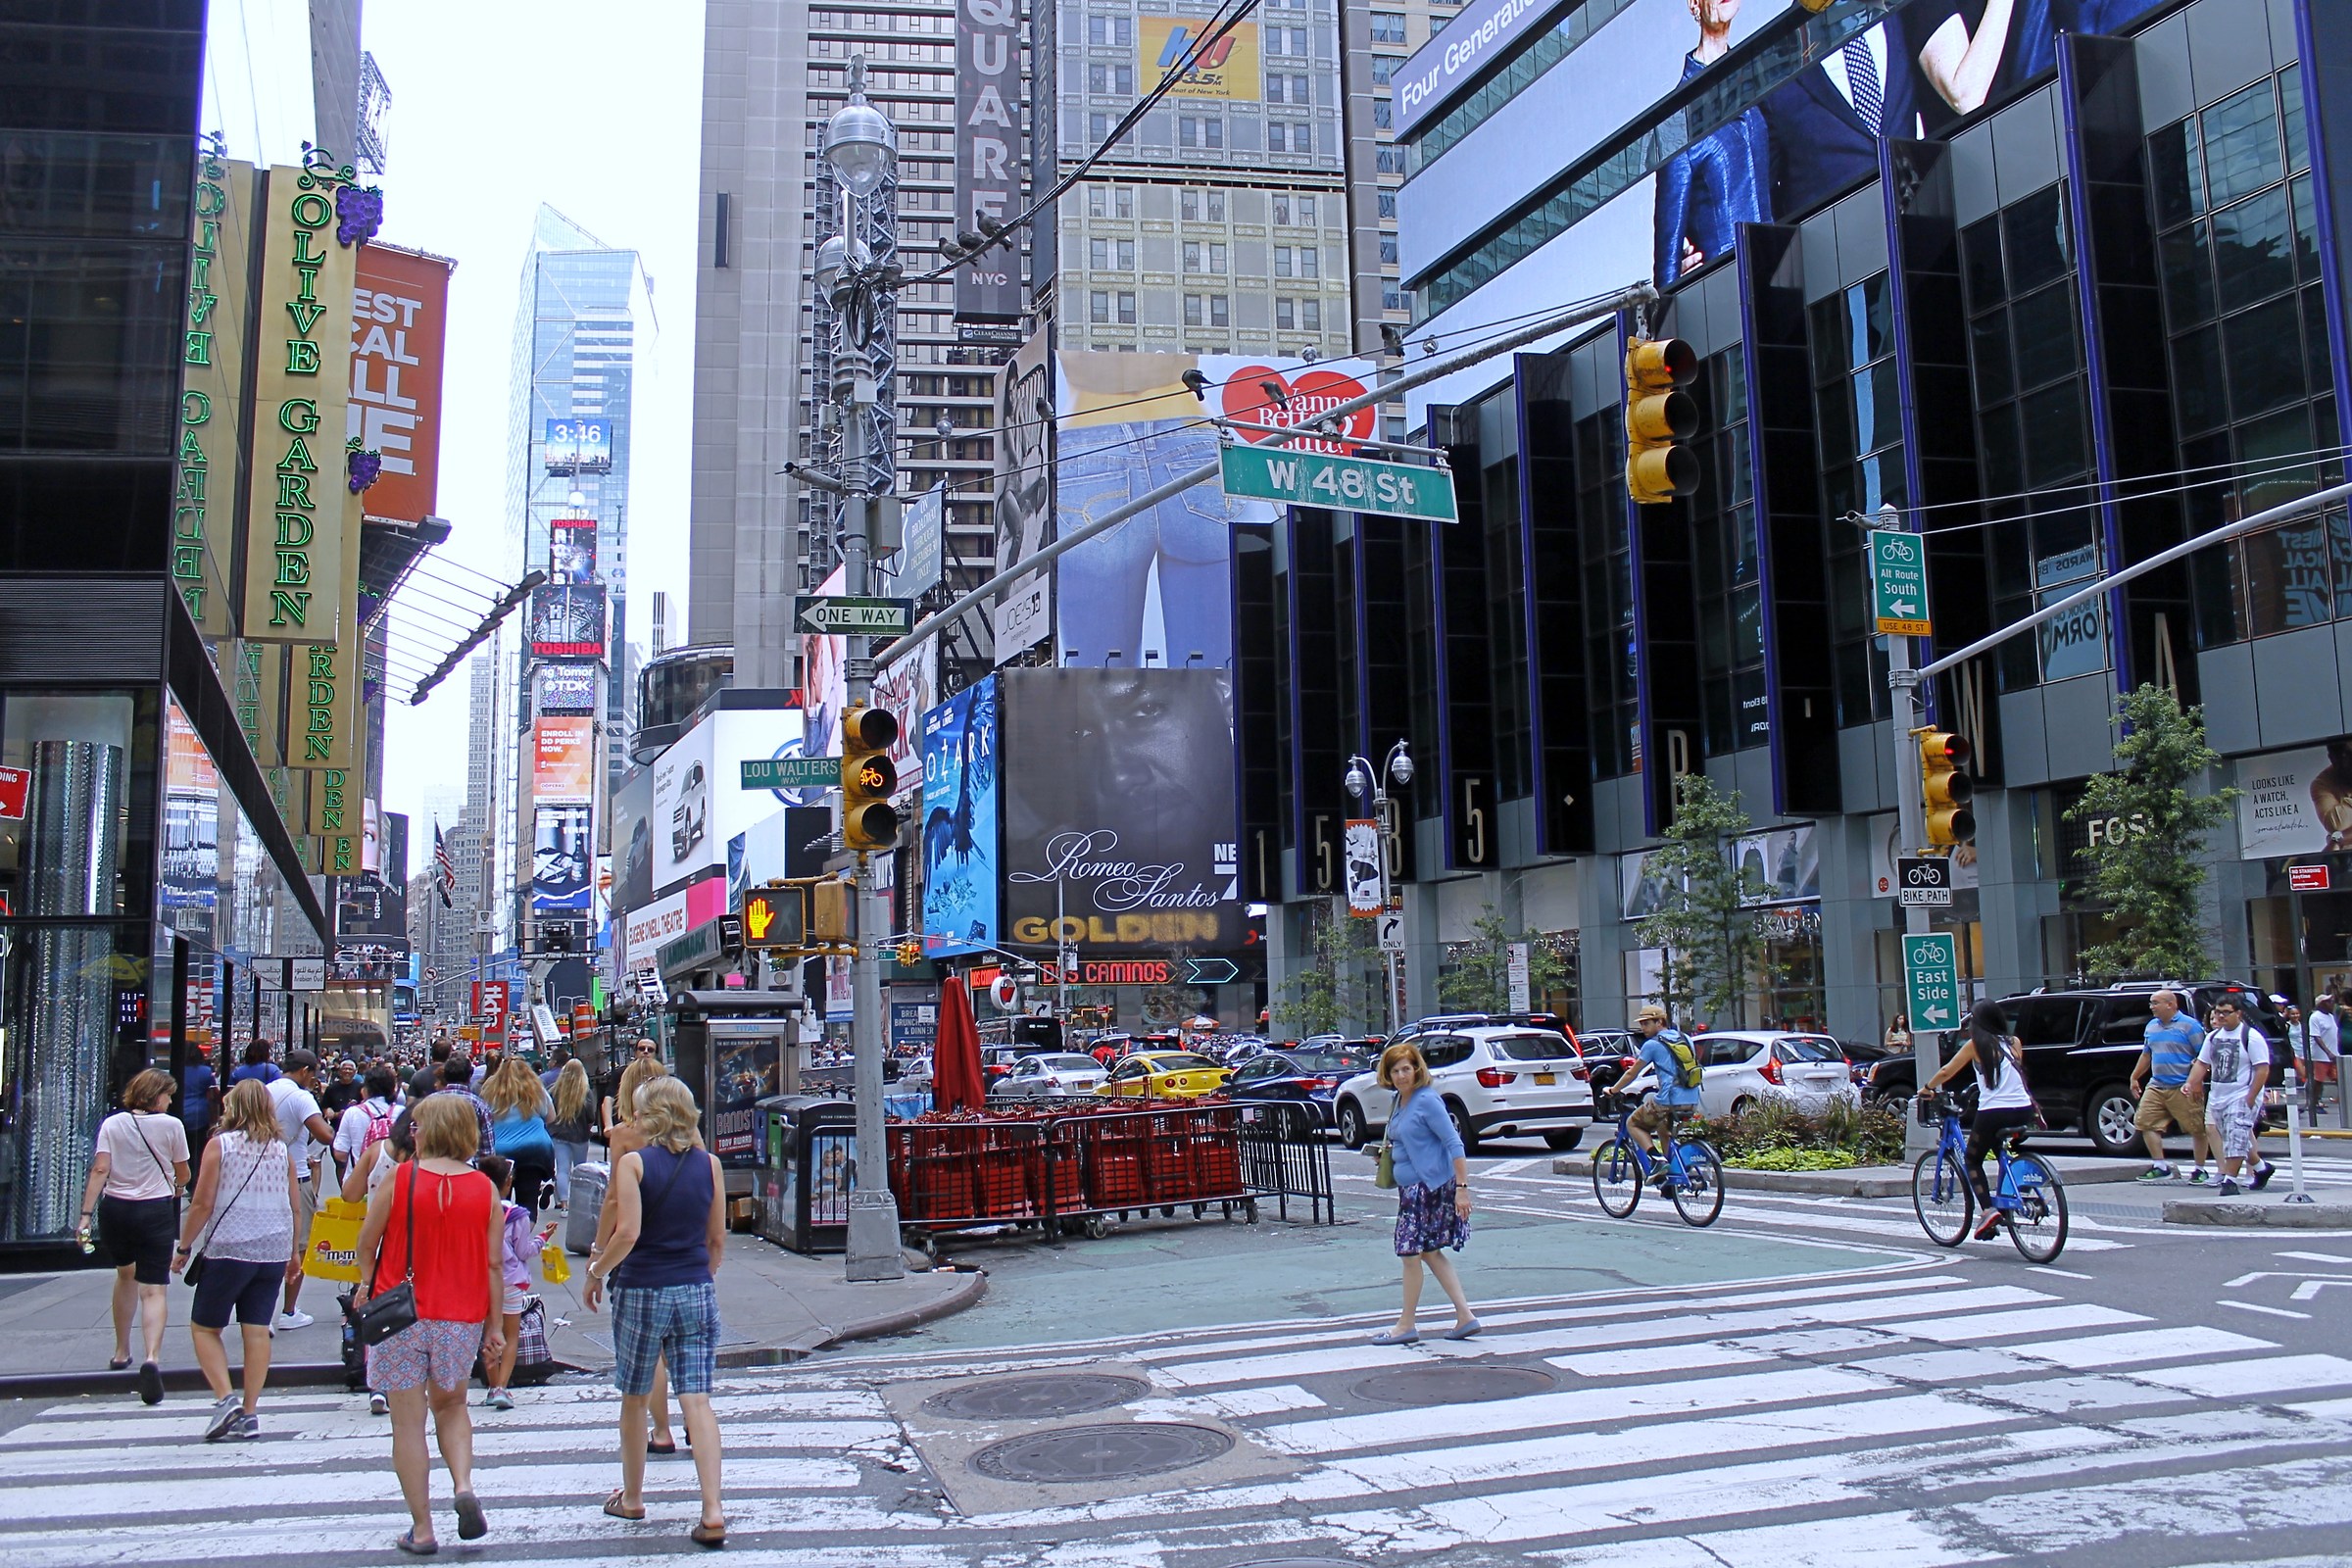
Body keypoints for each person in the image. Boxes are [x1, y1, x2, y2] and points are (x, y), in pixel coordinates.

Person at [354, 1093, 504, 1556]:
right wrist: (495, 1327)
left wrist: (365, 1282)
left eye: (417, 1126)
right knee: (453, 1405)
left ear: (429, 1130)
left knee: (407, 1423)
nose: (411, 1132)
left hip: (401, 1313)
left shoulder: (401, 1178)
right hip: (460, 1316)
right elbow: (494, 1265)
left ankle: (422, 1529)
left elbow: (366, 1241)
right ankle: (462, 1484)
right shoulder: (486, 1189)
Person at [583, 1076, 729, 1546]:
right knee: (698, 1399)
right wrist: (700, 1273)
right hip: (694, 1288)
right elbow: (716, 1240)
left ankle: (633, 1497)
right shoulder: (710, 1165)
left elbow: (626, 1233)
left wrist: (595, 1271)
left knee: (634, 1394)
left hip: (643, 1287)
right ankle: (712, 1509)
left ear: (651, 1115)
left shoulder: (633, 1164)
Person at [175, 1079, 301, 1441]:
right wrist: (294, 1252)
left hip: (231, 1246)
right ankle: (250, 1411)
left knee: (205, 1327)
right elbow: (294, 1206)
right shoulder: (282, 1150)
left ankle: (224, 1397)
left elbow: (202, 1202)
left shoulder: (221, 1146)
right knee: (257, 1329)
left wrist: (184, 1247)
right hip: (274, 1248)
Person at [78, 1069, 189, 1402]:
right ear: (157, 1096)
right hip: (155, 1209)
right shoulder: (173, 1126)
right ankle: (151, 1357)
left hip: (116, 1209)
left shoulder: (113, 1124)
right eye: (168, 1095)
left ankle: (121, 1349)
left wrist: (85, 1215)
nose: (170, 1100)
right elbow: (183, 1171)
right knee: (153, 1289)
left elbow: (100, 1168)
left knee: (125, 1275)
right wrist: (178, 1186)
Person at [595, 1054, 681, 1453]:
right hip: (679, 1240)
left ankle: (662, 1430)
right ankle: (696, 1420)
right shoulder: (684, 1134)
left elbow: (613, 1198)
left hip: (638, 1246)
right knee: (684, 1343)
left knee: (651, 1348)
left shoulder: (624, 1136)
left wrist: (598, 1254)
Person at [1760, 13, 1924, 222]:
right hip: (1838, 240)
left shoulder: (1896, 14)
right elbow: (1766, 196)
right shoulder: (1773, 58)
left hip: (1921, 221)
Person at [1652, 0, 1770, 289]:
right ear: (1694, 4)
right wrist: (1676, 292)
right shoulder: (1679, 119)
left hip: (1784, 274)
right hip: (1728, 293)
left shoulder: (1760, 83)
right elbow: (1668, 263)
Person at [1368, 1042, 1478, 1348]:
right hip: (1411, 1188)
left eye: (1407, 1068)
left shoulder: (1427, 1100)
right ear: (1388, 1074)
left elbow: (1454, 1144)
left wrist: (1462, 1190)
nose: (1402, 1075)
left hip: (1427, 1189)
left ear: (1417, 1069)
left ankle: (1406, 1325)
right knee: (1428, 1252)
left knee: (1409, 1253)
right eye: (1396, 1070)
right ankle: (1465, 1316)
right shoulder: (1399, 1101)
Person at [1918, 1001, 2037, 1241]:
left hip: (1995, 1112)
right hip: (2024, 1108)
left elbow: (1947, 1072)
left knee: (1972, 1160)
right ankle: (2007, 1197)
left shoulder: (1976, 1045)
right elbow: (2010, 1075)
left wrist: (1927, 1088)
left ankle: (1988, 1211)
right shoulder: (2014, 1042)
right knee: (1997, 1146)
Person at [267, 1050, 337, 1330]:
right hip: (295, 1176)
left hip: (264, 1178)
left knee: (268, 1246)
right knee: (299, 1245)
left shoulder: (263, 1091)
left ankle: (261, 1312)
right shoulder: (300, 1097)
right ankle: (288, 1311)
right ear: (306, 1071)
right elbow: (324, 1134)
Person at [2185, 995, 2276, 1197]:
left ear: (2238, 1014)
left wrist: (2251, 1096)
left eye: (2226, 1012)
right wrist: (2190, 1083)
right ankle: (2261, 1168)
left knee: (2236, 1136)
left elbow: (2262, 1069)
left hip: (2242, 1094)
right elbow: (2202, 1063)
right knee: (2233, 1139)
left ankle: (2230, 1181)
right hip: (2219, 1095)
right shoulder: (2213, 1037)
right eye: (2218, 1012)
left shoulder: (2251, 1037)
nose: (2221, 1016)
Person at [2131, 989, 2214, 1183]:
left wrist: (2195, 1082)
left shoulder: (2190, 1026)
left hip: (2183, 1086)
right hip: (2157, 1085)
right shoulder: (2151, 1027)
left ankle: (2200, 1169)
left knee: (2196, 1128)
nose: (2152, 1007)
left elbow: (2202, 1057)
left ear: (2171, 1004)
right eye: (2151, 1003)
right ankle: (2160, 1165)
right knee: (2144, 1122)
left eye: (2155, 1003)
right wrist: (2135, 1077)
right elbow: (2146, 1054)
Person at [475, 1155, 532, 1411]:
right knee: (510, 1334)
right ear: (507, 1183)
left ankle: (491, 1384)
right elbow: (523, 1251)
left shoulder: (476, 1208)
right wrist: (542, 1240)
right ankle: (502, 1387)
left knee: (489, 1334)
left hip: (480, 1279)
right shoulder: (516, 1215)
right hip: (510, 1281)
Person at [1619, 1004, 1705, 1173]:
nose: (1643, 1028)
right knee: (1662, 1129)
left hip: (1667, 1101)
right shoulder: (1685, 1038)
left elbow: (1632, 1074)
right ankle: (1670, 1177)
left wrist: (1613, 1090)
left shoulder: (1652, 1044)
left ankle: (1656, 1160)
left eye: (1647, 1023)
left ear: (1660, 1022)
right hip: (1691, 1100)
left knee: (1633, 1123)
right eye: (1642, 1024)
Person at [485, 1056, 558, 1220]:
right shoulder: (537, 1091)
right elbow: (551, 1117)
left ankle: (504, 1238)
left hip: (501, 1152)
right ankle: (522, 1238)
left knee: (500, 1201)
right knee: (528, 1200)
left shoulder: (490, 1092)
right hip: (535, 1150)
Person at [333, 1065, 401, 1184]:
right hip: (393, 1182)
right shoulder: (402, 1113)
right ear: (392, 1089)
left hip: (359, 1184)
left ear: (365, 1089)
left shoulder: (353, 1113)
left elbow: (340, 1153)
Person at [548, 1058, 597, 1209]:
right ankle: (580, 1203)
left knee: (562, 1169)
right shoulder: (585, 1092)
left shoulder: (553, 1090)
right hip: (580, 1136)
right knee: (580, 1169)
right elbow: (590, 1117)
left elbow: (548, 1113)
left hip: (558, 1135)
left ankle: (564, 1204)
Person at [436, 1052, 498, 1154]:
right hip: (470, 1165)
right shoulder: (479, 1106)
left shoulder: (428, 1103)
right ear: (470, 1075)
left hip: (433, 1166)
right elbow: (487, 1150)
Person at [2309, 993, 2341, 1121]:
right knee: (2318, 1081)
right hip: (2321, 1055)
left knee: (2340, 1079)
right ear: (2321, 1004)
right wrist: (2327, 1052)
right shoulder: (2315, 1017)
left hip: (2334, 1054)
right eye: (2328, 1002)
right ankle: (2314, 1103)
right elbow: (2316, 1037)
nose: (2331, 1004)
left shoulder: (2331, 1016)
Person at [181, 1053, 219, 1157]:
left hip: (179, 1113)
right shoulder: (205, 1072)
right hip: (199, 1116)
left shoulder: (176, 1069)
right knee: (198, 1151)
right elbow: (213, 1096)